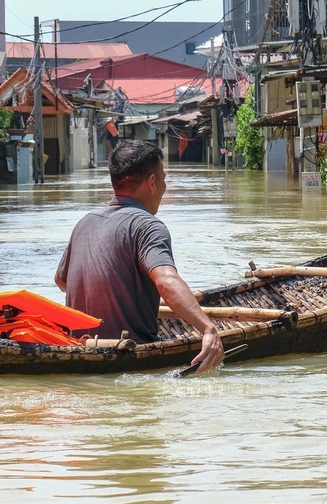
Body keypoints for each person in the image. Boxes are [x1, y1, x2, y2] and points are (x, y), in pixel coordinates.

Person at [55, 140, 225, 373]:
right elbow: (165, 281)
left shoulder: (86, 222)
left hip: (77, 347)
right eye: (163, 179)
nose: (165, 187)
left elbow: (62, 281)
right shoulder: (148, 226)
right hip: (129, 353)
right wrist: (208, 329)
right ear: (152, 183)